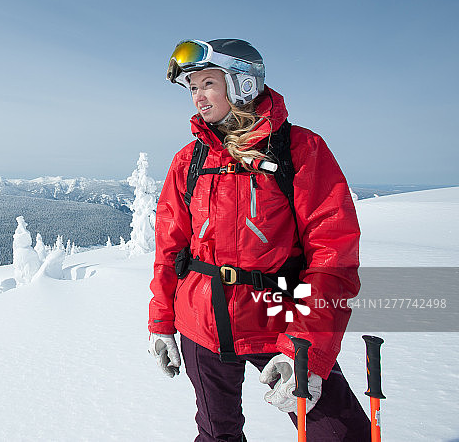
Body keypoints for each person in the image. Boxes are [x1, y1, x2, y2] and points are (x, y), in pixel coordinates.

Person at [147, 39, 370, 441]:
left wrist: (307, 348)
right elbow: (170, 251)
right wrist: (161, 322)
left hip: (279, 323)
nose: (198, 96)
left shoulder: (299, 149)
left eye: (208, 83)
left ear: (243, 84)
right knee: (217, 435)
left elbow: (333, 255)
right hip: (202, 329)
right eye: (193, 87)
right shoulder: (189, 161)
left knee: (341, 435)